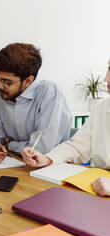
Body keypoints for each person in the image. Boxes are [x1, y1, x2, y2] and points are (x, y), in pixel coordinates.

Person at [23, 59, 110, 197]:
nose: (106, 78)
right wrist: (48, 158)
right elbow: (77, 147)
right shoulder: (102, 107)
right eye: (109, 69)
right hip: (97, 192)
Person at [0, 43, 72, 164]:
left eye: (7, 82)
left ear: (28, 81)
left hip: (51, 168)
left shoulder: (50, 93)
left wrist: (10, 145)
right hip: (13, 163)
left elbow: (42, 148)